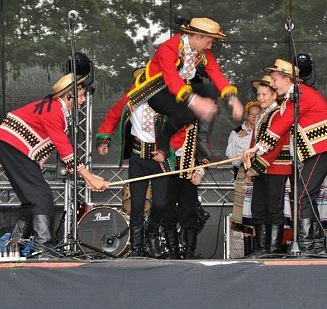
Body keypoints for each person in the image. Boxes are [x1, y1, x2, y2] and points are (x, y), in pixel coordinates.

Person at [243, 59, 327, 255]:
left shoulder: (299, 95)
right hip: (321, 149)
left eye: (274, 80)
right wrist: (258, 148)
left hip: (324, 147)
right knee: (307, 194)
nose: (272, 84)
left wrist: (257, 149)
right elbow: (280, 123)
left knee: (302, 194)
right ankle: (314, 245)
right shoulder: (293, 97)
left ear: (287, 79)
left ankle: (307, 245)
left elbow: (281, 125)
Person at [0, 74, 108, 252]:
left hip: (13, 147)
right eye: (81, 96)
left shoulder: (57, 109)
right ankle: (44, 249)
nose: (83, 100)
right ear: (69, 95)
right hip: (13, 146)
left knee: (32, 200)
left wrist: (90, 178)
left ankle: (14, 246)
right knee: (42, 197)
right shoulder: (54, 111)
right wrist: (89, 177)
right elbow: (65, 150)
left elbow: (65, 152)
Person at [127, 17, 243, 159]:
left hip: (180, 88)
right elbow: (171, 78)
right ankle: (165, 133)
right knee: (188, 112)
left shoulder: (203, 53)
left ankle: (201, 138)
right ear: (198, 36)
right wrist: (195, 101)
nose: (209, 47)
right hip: (157, 92)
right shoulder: (168, 48)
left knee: (210, 91)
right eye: (208, 42)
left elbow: (216, 73)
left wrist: (232, 99)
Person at [96, 67, 168, 257]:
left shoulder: (167, 101)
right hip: (138, 157)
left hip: (160, 160)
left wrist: (165, 151)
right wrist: (105, 140)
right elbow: (112, 116)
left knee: (161, 203)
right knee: (137, 204)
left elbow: (180, 129)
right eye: (142, 81)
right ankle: (137, 247)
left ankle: (151, 235)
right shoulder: (131, 100)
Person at [244, 75, 292, 257]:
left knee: (273, 207)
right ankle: (261, 248)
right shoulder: (263, 115)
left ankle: (273, 249)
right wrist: (248, 161)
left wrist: (256, 166)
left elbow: (275, 143)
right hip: (261, 167)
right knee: (258, 207)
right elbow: (255, 141)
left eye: (264, 94)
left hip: (276, 166)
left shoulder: (279, 113)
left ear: (274, 95)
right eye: (258, 94)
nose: (260, 98)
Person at [162, 123, 209, 259]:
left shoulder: (198, 124)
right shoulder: (167, 120)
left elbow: (204, 151)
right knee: (167, 210)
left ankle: (189, 252)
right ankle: (173, 250)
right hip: (168, 171)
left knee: (189, 211)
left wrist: (200, 171)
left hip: (189, 172)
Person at [227, 101, 261, 256]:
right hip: (243, 173)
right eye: (251, 114)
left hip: (260, 173)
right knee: (244, 212)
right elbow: (232, 159)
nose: (254, 117)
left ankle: (258, 248)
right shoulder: (236, 132)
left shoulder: (264, 131)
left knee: (257, 210)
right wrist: (241, 141)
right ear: (247, 115)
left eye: (257, 114)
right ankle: (248, 252)